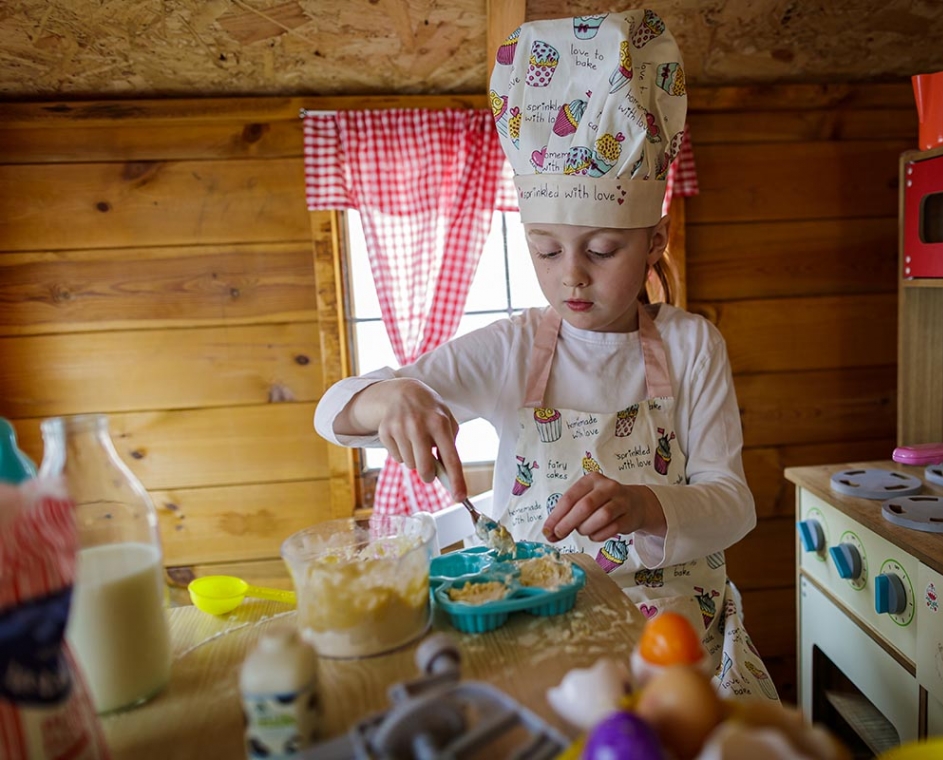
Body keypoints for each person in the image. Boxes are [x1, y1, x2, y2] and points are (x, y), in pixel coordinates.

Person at [314, 9, 778, 701]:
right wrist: (389, 397)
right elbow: (333, 416)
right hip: (541, 628)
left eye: (600, 250)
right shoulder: (511, 348)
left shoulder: (690, 344)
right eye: (546, 250)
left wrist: (647, 506)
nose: (571, 277)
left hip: (678, 642)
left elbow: (732, 504)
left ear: (655, 239)